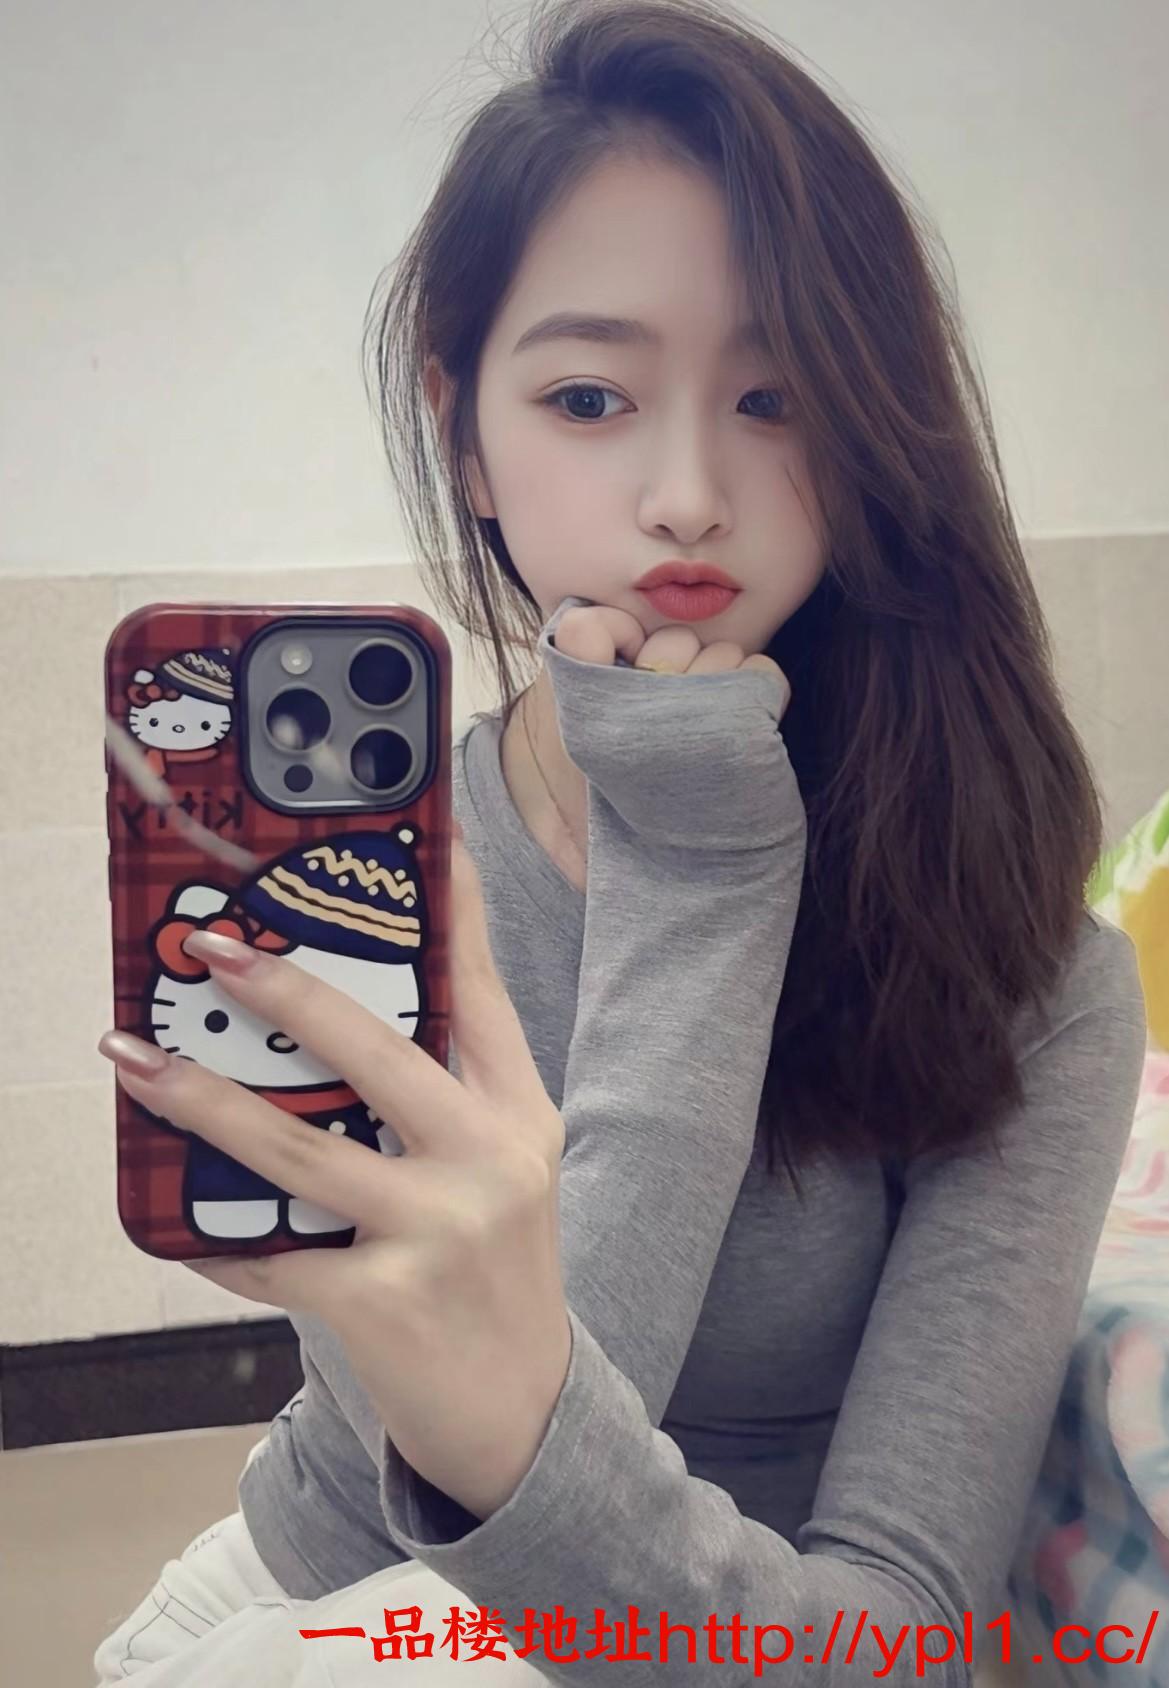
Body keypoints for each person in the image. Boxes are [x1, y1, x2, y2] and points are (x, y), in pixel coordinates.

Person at [92, 0, 1149, 1682]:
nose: (685, 493)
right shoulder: (375, 877)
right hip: (303, 1585)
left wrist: (709, 870)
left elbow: (903, 1637)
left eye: (777, 398)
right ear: (463, 432)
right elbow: (412, 1493)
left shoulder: (1025, 966)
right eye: (587, 396)